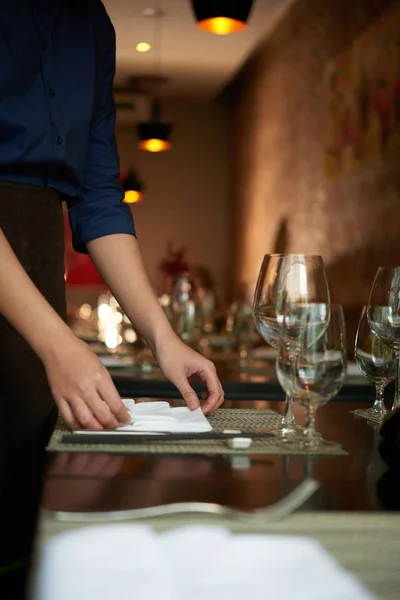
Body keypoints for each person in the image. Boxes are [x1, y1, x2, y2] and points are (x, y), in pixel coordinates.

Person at [0, 0, 224, 441]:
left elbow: (99, 196)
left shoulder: (94, 26)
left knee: (23, 465)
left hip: (39, 266)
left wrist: (164, 340)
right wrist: (59, 344)